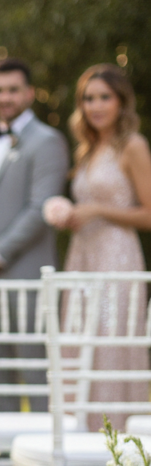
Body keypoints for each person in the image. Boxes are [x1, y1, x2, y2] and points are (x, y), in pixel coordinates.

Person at [0, 58, 70, 412]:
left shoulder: (48, 141)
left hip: (26, 276)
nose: (5, 97)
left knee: (35, 368)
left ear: (29, 93)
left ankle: (40, 462)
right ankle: (6, 461)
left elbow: (40, 208)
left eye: (12, 89)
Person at [60, 64, 151, 430]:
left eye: (104, 98)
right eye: (88, 98)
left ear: (120, 102)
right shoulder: (87, 149)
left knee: (109, 351)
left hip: (116, 259)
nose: (95, 106)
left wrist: (97, 209)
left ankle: (114, 447)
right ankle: (76, 443)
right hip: (82, 257)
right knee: (79, 348)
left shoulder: (132, 146)